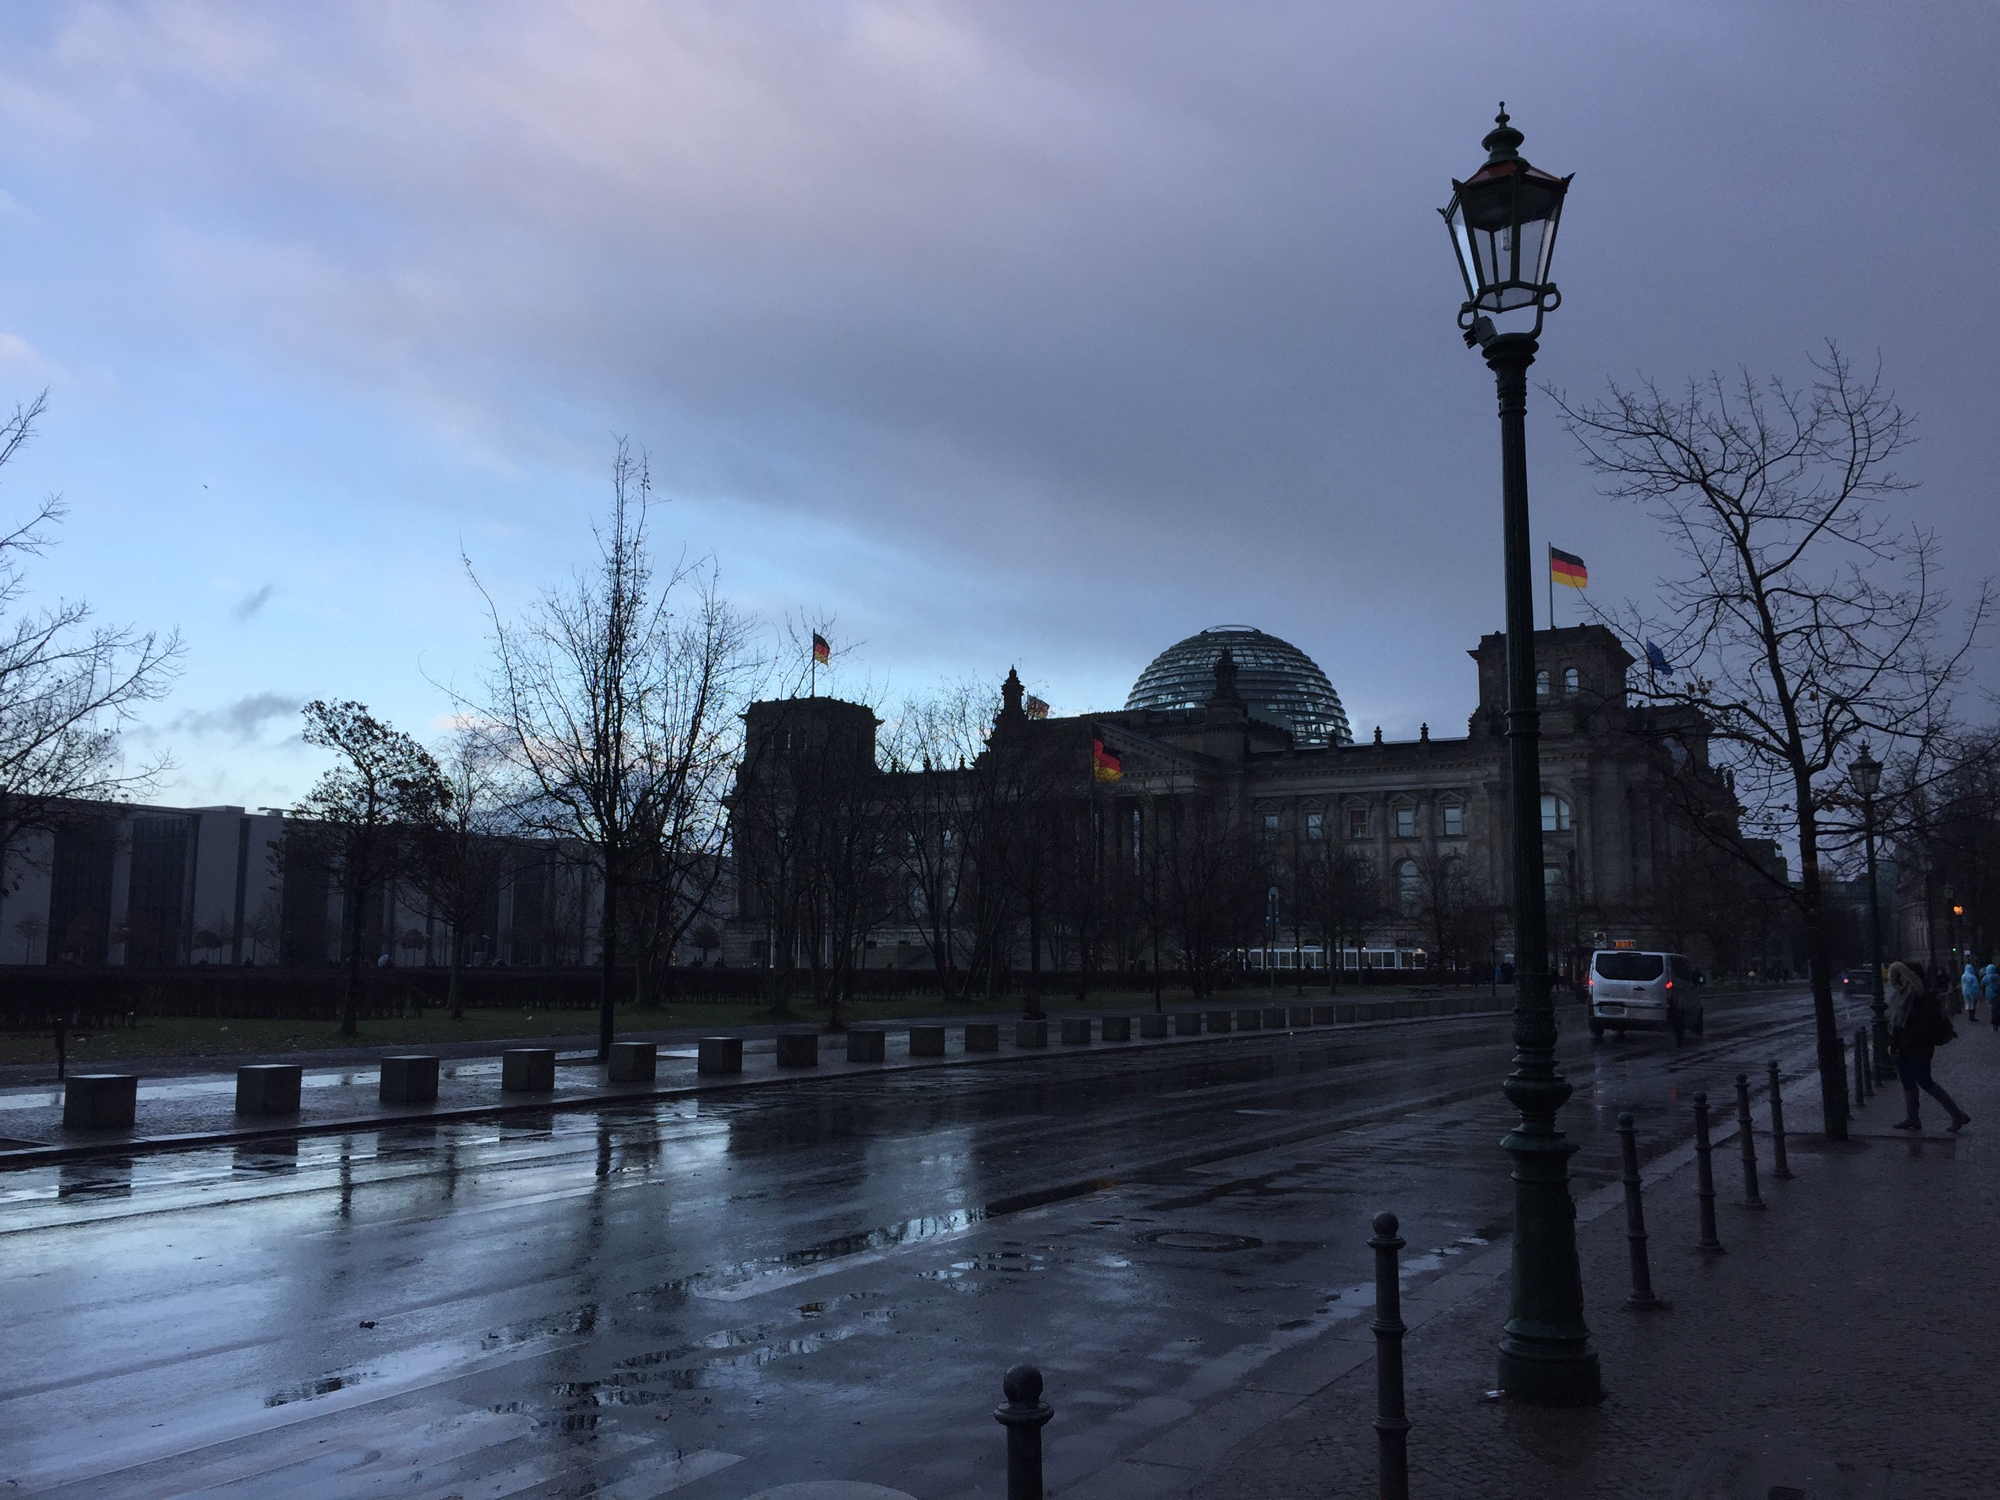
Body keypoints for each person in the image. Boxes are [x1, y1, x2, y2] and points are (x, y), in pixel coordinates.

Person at [1888, 959, 1970, 1132]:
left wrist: (1906, 1040)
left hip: (1918, 1048)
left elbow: (1922, 1026)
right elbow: (1896, 1023)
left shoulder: (1922, 997)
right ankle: (1913, 1118)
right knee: (1908, 1083)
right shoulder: (1901, 994)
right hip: (1902, 1047)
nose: (1900, 980)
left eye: (1903, 976)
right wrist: (1895, 1044)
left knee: (1925, 1082)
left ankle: (1957, 1115)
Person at [1983, 961, 2000, 1032]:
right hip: (1997, 995)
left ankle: (1994, 1026)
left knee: (1992, 1010)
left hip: (1988, 995)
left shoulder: (1985, 977)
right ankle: (1996, 1024)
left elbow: (1982, 984)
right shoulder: (1997, 976)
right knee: (1997, 1010)